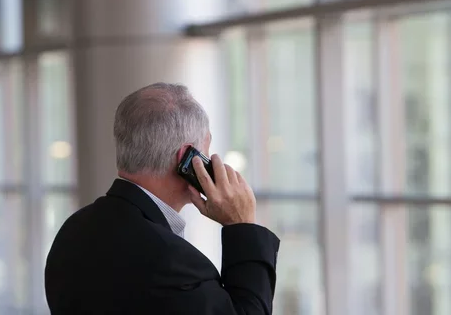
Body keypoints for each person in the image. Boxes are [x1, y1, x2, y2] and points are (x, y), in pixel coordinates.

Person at [45, 83, 280, 314]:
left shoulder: (73, 231)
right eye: (206, 151)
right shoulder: (172, 262)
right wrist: (242, 226)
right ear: (188, 159)